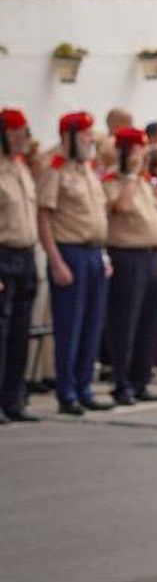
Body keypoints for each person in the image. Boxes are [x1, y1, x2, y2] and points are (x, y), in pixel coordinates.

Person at [36, 110, 110, 417]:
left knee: (92, 324)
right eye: (86, 136)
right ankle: (66, 392)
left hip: (93, 253)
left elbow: (97, 217)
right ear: (69, 137)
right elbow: (44, 217)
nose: (91, 141)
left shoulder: (88, 171)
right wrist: (55, 260)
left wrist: (103, 254)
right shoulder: (55, 170)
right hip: (70, 254)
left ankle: (84, 386)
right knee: (70, 326)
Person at [105, 126, 157, 404]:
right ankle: (122, 382)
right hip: (126, 255)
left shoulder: (146, 182)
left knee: (147, 321)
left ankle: (140, 380)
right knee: (125, 322)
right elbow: (122, 207)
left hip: (151, 256)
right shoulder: (114, 179)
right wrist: (129, 175)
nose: (141, 156)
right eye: (136, 150)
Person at [0, 108, 41, 422]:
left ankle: (14, 400)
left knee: (19, 332)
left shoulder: (20, 168)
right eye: (17, 133)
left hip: (25, 254)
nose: (24, 138)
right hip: (3, 256)